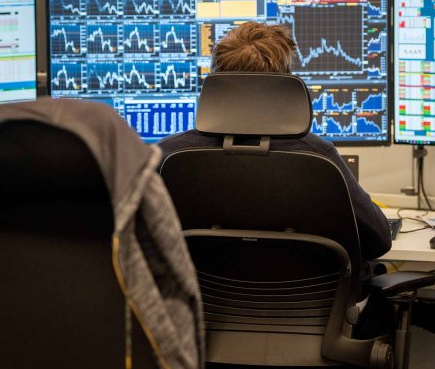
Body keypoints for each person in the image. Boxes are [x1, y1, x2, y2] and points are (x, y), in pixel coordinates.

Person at [157, 21, 394, 337]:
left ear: (217, 80)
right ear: (285, 84)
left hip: (208, 328)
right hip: (316, 329)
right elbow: (379, 241)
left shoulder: (168, 157)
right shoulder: (318, 157)